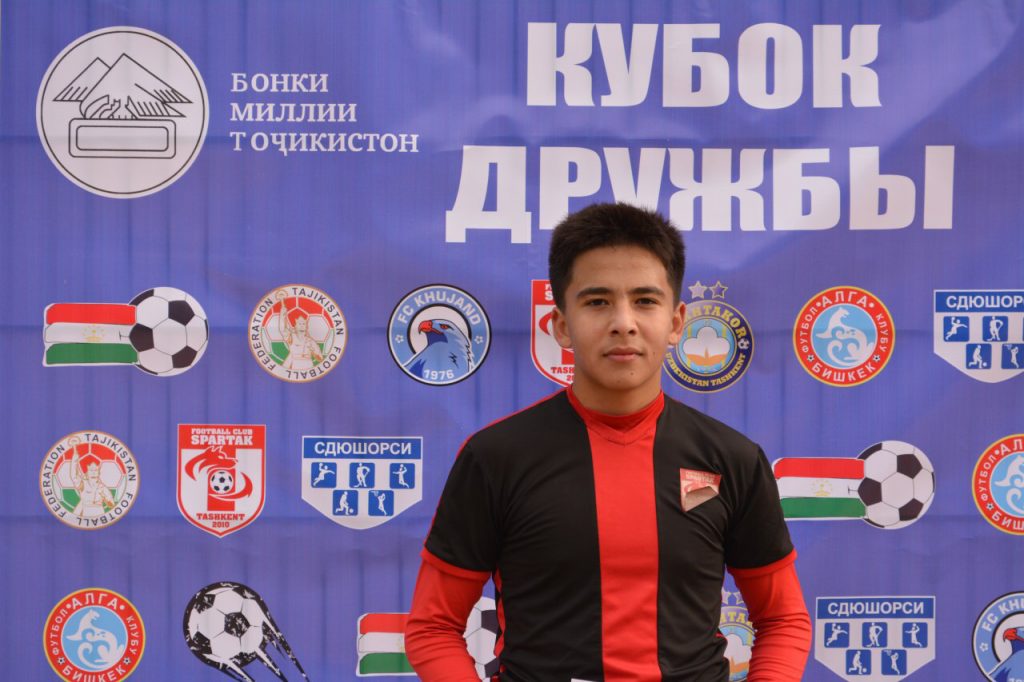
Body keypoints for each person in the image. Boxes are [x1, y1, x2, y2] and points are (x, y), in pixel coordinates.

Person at [405, 203, 811, 680]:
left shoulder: (733, 459)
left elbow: (783, 619)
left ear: (676, 322)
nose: (623, 322)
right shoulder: (495, 458)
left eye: (645, 300)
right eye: (597, 302)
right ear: (561, 325)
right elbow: (433, 627)